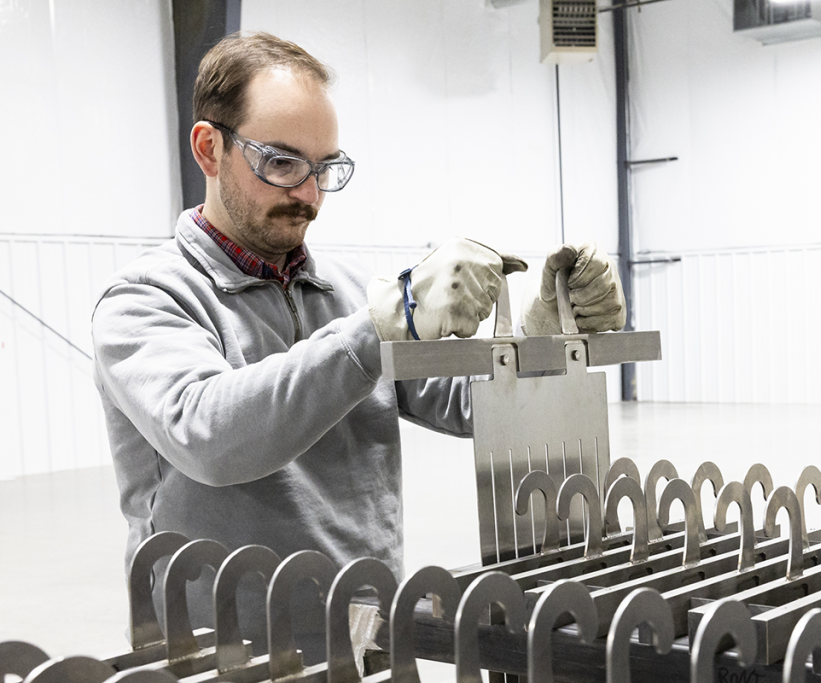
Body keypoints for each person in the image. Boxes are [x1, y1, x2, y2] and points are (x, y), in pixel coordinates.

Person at [91, 31, 625, 661]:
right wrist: (379, 324)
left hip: (367, 638)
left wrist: (543, 332)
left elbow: (466, 402)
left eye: (325, 168)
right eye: (282, 163)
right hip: (224, 655)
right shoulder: (145, 300)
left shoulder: (348, 294)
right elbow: (209, 435)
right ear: (210, 148)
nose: (310, 195)